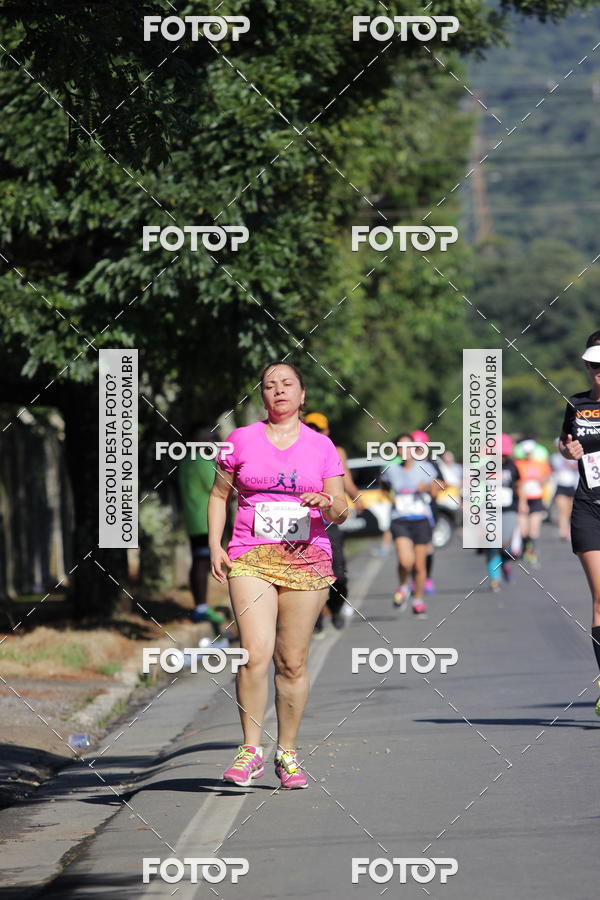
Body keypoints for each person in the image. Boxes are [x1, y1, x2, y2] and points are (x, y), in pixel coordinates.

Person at [208, 361, 347, 788]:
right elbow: (219, 495)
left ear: (302, 395)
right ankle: (250, 749)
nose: (279, 391)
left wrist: (325, 500)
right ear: (262, 396)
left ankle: (286, 752)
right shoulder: (240, 439)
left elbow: (341, 510)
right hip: (250, 555)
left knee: (292, 662)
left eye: (287, 384)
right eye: (270, 386)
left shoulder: (321, 446)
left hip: (307, 559)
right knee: (254, 651)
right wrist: (216, 544)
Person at [559, 331, 600, 716]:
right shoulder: (577, 404)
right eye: (595, 367)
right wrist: (568, 448)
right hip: (589, 506)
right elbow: (564, 442)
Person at [304, 411, 362, 632]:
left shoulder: (335, 451)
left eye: (318, 428)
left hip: (331, 517)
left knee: (337, 573)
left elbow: (344, 476)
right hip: (308, 521)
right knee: (310, 572)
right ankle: (315, 621)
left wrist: (355, 496)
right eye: (310, 427)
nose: (315, 432)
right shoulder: (298, 449)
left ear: (327, 431)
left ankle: (336, 608)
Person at [178, 425, 228, 645]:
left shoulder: (187, 459)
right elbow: (219, 487)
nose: (215, 443)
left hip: (193, 518)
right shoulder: (201, 460)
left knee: (199, 561)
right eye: (212, 439)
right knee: (202, 562)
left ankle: (201, 605)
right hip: (205, 519)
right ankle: (201, 607)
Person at [381, 433, 439, 617]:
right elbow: (383, 486)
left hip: (421, 519)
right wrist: (390, 498)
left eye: (408, 446)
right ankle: (403, 586)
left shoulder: (426, 467)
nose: (405, 451)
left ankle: (418, 600)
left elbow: (436, 491)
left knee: (419, 566)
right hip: (400, 520)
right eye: (401, 447)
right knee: (406, 561)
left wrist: (428, 488)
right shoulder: (390, 469)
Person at [486, 434, 521, 592]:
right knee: (492, 544)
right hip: (489, 509)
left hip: (508, 508)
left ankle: (505, 561)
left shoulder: (512, 467)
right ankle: (495, 579)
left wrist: (524, 502)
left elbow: (519, 484)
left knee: (504, 542)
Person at [411, 429, 441, 594]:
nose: (417, 451)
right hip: (407, 512)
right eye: (414, 448)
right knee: (411, 549)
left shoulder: (432, 464)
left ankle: (426, 578)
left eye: (420, 448)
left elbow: (442, 483)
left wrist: (430, 486)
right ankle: (413, 579)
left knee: (427, 547)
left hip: (429, 510)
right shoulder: (404, 465)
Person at [515, 437, 551, 568]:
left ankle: (533, 553)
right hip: (521, 500)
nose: (528, 454)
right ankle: (525, 549)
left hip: (536, 499)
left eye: (530, 452)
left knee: (534, 528)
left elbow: (547, 477)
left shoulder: (541, 464)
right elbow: (518, 484)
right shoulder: (518, 464)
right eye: (526, 452)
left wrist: (543, 480)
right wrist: (522, 502)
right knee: (524, 530)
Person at [550, 442, 579, 540]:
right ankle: (563, 532)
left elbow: (577, 468)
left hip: (572, 486)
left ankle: (569, 530)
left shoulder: (575, 456)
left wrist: (569, 461)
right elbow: (555, 468)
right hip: (560, 486)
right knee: (562, 511)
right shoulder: (555, 457)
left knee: (570, 511)